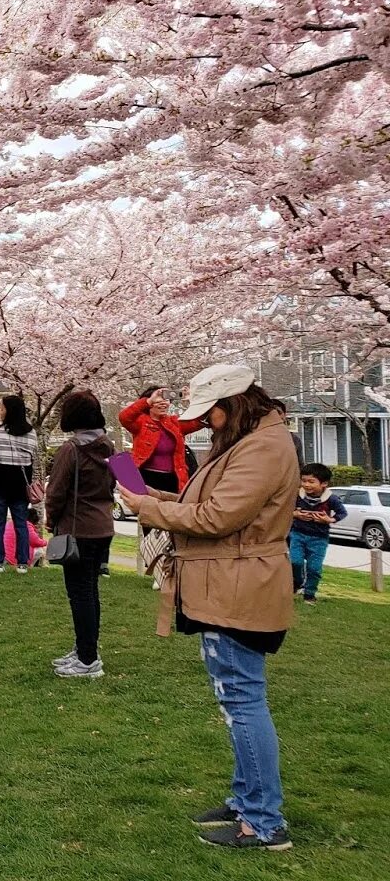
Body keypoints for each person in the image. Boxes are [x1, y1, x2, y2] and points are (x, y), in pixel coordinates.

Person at [118, 363, 298, 850]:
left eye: (210, 413)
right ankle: (248, 800)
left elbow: (219, 517)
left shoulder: (262, 446)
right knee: (236, 698)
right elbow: (209, 504)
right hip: (228, 585)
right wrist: (151, 496)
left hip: (236, 588)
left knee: (242, 701)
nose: (207, 422)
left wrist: (147, 508)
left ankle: (262, 821)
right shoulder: (253, 442)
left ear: (233, 404)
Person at [44, 390, 117, 678]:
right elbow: (133, 483)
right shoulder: (111, 446)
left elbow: (56, 491)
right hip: (104, 528)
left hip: (78, 530)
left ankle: (87, 659)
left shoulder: (71, 450)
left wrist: (50, 520)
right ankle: (86, 650)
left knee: (81, 594)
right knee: (90, 592)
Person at [0, 394, 38, 573]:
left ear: (9, 410)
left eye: (1, 407)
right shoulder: (31, 432)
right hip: (20, 485)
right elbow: (33, 457)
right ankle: (23, 562)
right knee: (21, 524)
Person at [120, 385, 205, 496]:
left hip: (173, 479)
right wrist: (149, 400)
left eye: (166, 399)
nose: (163, 403)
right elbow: (124, 417)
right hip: (147, 478)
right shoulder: (141, 423)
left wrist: (193, 400)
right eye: (159, 400)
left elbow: (199, 422)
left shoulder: (174, 423)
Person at [290, 463, 346, 605]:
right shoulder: (297, 495)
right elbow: (286, 509)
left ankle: (310, 594)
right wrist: (295, 514)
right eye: (304, 481)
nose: (306, 485)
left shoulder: (331, 499)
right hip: (297, 534)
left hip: (319, 539)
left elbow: (342, 513)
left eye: (311, 482)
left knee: (314, 568)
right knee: (294, 561)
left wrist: (329, 519)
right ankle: (297, 583)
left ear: (324, 484)